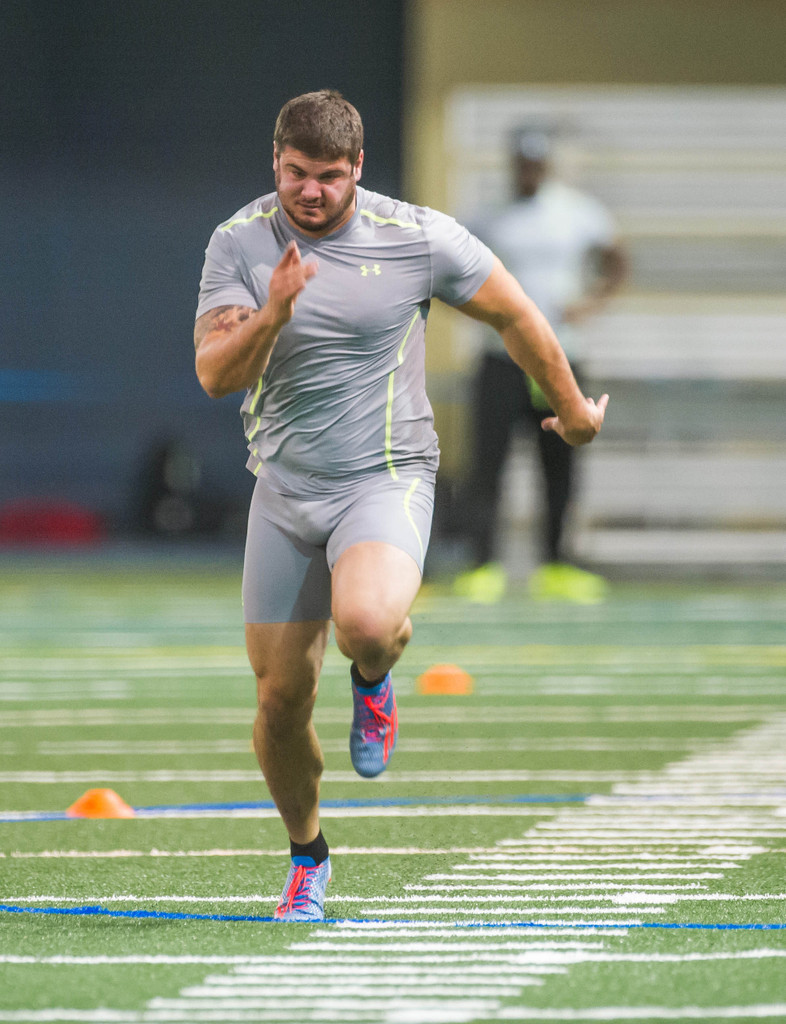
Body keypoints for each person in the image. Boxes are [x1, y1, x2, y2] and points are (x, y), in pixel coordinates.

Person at [194, 91, 608, 922]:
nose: (311, 191)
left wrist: (571, 410)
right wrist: (274, 312)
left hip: (385, 479)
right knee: (279, 703)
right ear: (275, 161)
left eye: (329, 176)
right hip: (284, 493)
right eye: (296, 173)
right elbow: (215, 374)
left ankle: (375, 676)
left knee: (367, 624)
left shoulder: (414, 236)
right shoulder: (239, 241)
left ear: (359, 169)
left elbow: (514, 312)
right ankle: (308, 857)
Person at [454, 127, 627, 605]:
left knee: (561, 460)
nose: (528, 172)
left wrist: (589, 305)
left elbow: (617, 259)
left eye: (536, 164)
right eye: (522, 164)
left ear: (547, 165)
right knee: (488, 463)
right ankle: (483, 565)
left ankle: (557, 564)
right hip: (501, 357)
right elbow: (451, 273)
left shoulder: (576, 212)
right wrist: (482, 315)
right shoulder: (488, 217)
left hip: (560, 354)